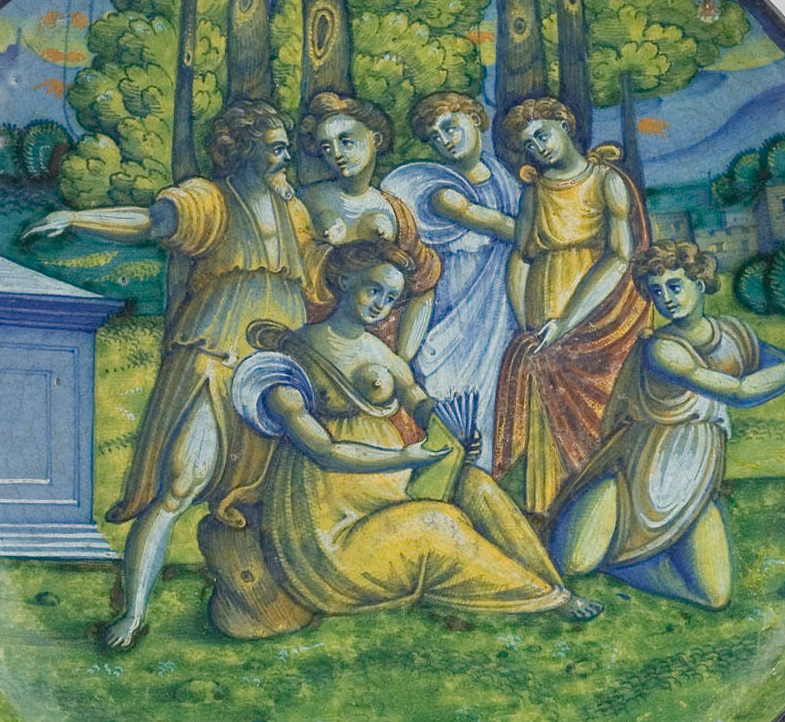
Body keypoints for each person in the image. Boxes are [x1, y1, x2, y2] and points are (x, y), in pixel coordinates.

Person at [21, 100, 326, 649]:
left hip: (280, 361)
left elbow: (321, 273)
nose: (285, 156)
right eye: (274, 146)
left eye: (285, 146)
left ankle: (270, 602)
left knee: (281, 488)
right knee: (182, 482)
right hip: (217, 349)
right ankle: (133, 613)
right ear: (243, 149)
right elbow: (149, 222)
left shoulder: (295, 210)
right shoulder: (209, 201)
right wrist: (76, 219)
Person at [231, 240, 603, 627]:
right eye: (374, 289)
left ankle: (553, 584)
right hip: (330, 539)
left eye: (391, 298)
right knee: (438, 522)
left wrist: (454, 436)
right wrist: (405, 458)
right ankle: (545, 598)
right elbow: (324, 450)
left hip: (384, 503)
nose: (381, 304)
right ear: (344, 280)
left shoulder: (383, 354)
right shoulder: (298, 353)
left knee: (475, 484)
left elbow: (420, 403)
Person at [548, 240, 785, 609]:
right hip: (638, 482)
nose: (667, 299)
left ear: (699, 282)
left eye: (674, 286)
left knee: (714, 596)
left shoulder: (734, 334)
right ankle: (614, 556)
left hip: (693, 485)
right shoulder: (662, 349)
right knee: (574, 562)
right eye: (657, 292)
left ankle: (625, 565)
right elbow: (741, 391)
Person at [493, 97, 652, 519]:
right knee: (546, 407)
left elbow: (620, 256)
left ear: (565, 126)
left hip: (597, 314)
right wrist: (525, 323)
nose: (539, 148)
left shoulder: (606, 180)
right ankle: (547, 512)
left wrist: (566, 320)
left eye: (543, 135)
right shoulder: (534, 193)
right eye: (529, 145)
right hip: (542, 318)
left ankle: (602, 511)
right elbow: (521, 258)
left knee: (598, 412)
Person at [379, 92, 519, 469]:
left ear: (474, 118)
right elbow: (508, 228)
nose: (446, 140)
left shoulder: (504, 178)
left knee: (496, 404)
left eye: (450, 127)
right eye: (435, 137)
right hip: (453, 321)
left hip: (499, 315)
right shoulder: (441, 192)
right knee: (455, 407)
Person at [297, 93, 440, 365]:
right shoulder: (304, 203)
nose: (337, 153)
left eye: (346, 141)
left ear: (375, 139)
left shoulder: (396, 211)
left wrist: (401, 359)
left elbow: (423, 286)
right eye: (326, 147)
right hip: (314, 345)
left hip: (378, 352)